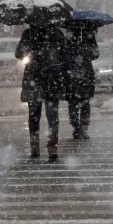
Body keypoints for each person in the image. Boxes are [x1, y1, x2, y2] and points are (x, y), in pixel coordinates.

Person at [15, 24, 69, 160]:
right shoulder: (56, 33)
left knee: (34, 114)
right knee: (52, 115)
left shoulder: (29, 33)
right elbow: (65, 56)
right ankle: (52, 147)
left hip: (34, 78)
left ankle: (35, 146)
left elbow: (19, 53)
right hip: (52, 79)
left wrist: (30, 50)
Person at [65, 27, 100, 140]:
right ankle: (79, 128)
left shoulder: (71, 35)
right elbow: (95, 54)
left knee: (76, 103)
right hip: (81, 74)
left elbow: (95, 54)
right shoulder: (86, 35)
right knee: (81, 103)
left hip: (76, 74)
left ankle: (79, 128)